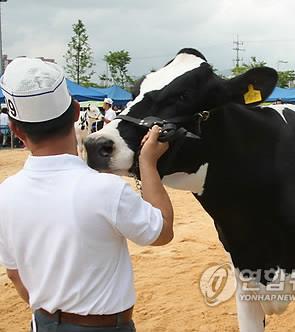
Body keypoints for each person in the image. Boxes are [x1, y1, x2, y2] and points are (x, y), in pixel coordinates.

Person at [0, 58, 174, 331]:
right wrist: (147, 163)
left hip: (43, 322)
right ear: (75, 112)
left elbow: (15, 274)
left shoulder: (5, 194)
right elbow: (162, 231)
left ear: (15, 129)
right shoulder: (105, 189)